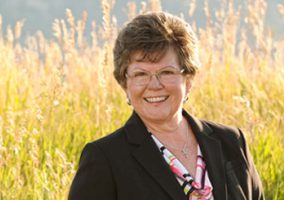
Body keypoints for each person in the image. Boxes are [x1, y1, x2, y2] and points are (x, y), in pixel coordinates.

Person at [68, 11, 265, 200]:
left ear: (188, 80)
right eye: (140, 74)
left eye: (167, 72)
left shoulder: (231, 142)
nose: (154, 85)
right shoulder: (105, 158)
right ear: (125, 84)